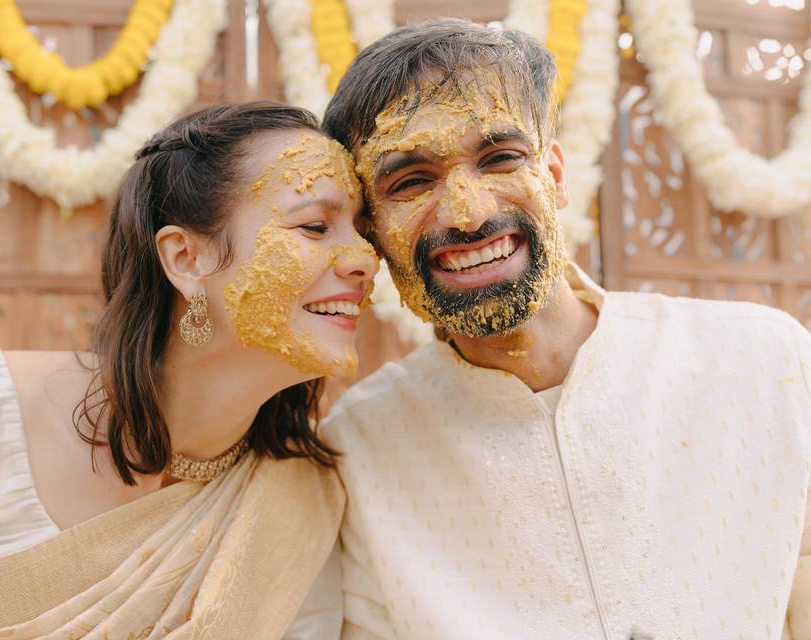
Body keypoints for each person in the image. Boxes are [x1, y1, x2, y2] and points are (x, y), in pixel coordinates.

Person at [319, 18, 811, 639]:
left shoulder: (765, 363)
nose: (471, 215)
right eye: (412, 181)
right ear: (372, 231)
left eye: (500, 158)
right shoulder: (360, 450)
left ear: (554, 175)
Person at [0, 102, 379, 638]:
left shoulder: (300, 500)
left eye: (363, 233)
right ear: (185, 260)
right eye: (315, 226)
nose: (365, 259)